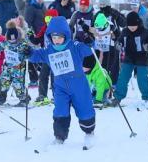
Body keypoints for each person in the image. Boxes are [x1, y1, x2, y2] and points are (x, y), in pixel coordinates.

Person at [28, 16, 97, 147]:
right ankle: (59, 137)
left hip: (78, 85)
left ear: (66, 35)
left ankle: (89, 133)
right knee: (60, 111)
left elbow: (88, 49)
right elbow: (36, 55)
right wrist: (28, 53)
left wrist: (90, 42)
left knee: (85, 110)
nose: (57, 41)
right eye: (54, 37)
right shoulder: (49, 51)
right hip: (60, 87)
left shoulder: (74, 46)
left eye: (59, 37)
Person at [112, 11, 148, 107]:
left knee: (141, 78)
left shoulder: (145, 32)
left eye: (134, 25)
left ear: (138, 23)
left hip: (142, 58)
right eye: (130, 26)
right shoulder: (125, 31)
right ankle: (118, 97)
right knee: (123, 77)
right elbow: (120, 40)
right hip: (129, 58)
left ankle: (147, 96)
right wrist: (118, 44)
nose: (132, 28)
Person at [95, 0, 126, 84]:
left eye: (104, 6)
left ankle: (113, 83)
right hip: (101, 43)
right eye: (100, 6)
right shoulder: (98, 14)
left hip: (113, 42)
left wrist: (118, 17)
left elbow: (124, 23)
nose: (102, 9)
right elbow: (92, 26)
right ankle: (101, 82)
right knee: (102, 63)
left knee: (114, 64)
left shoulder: (113, 13)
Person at [1, 22, 33, 106]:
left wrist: (28, 52)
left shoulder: (23, 44)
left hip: (18, 68)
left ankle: (24, 99)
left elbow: (31, 51)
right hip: (8, 67)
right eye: (10, 40)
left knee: (17, 85)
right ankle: (1, 97)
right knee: (4, 82)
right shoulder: (6, 43)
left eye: (14, 40)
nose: (12, 42)